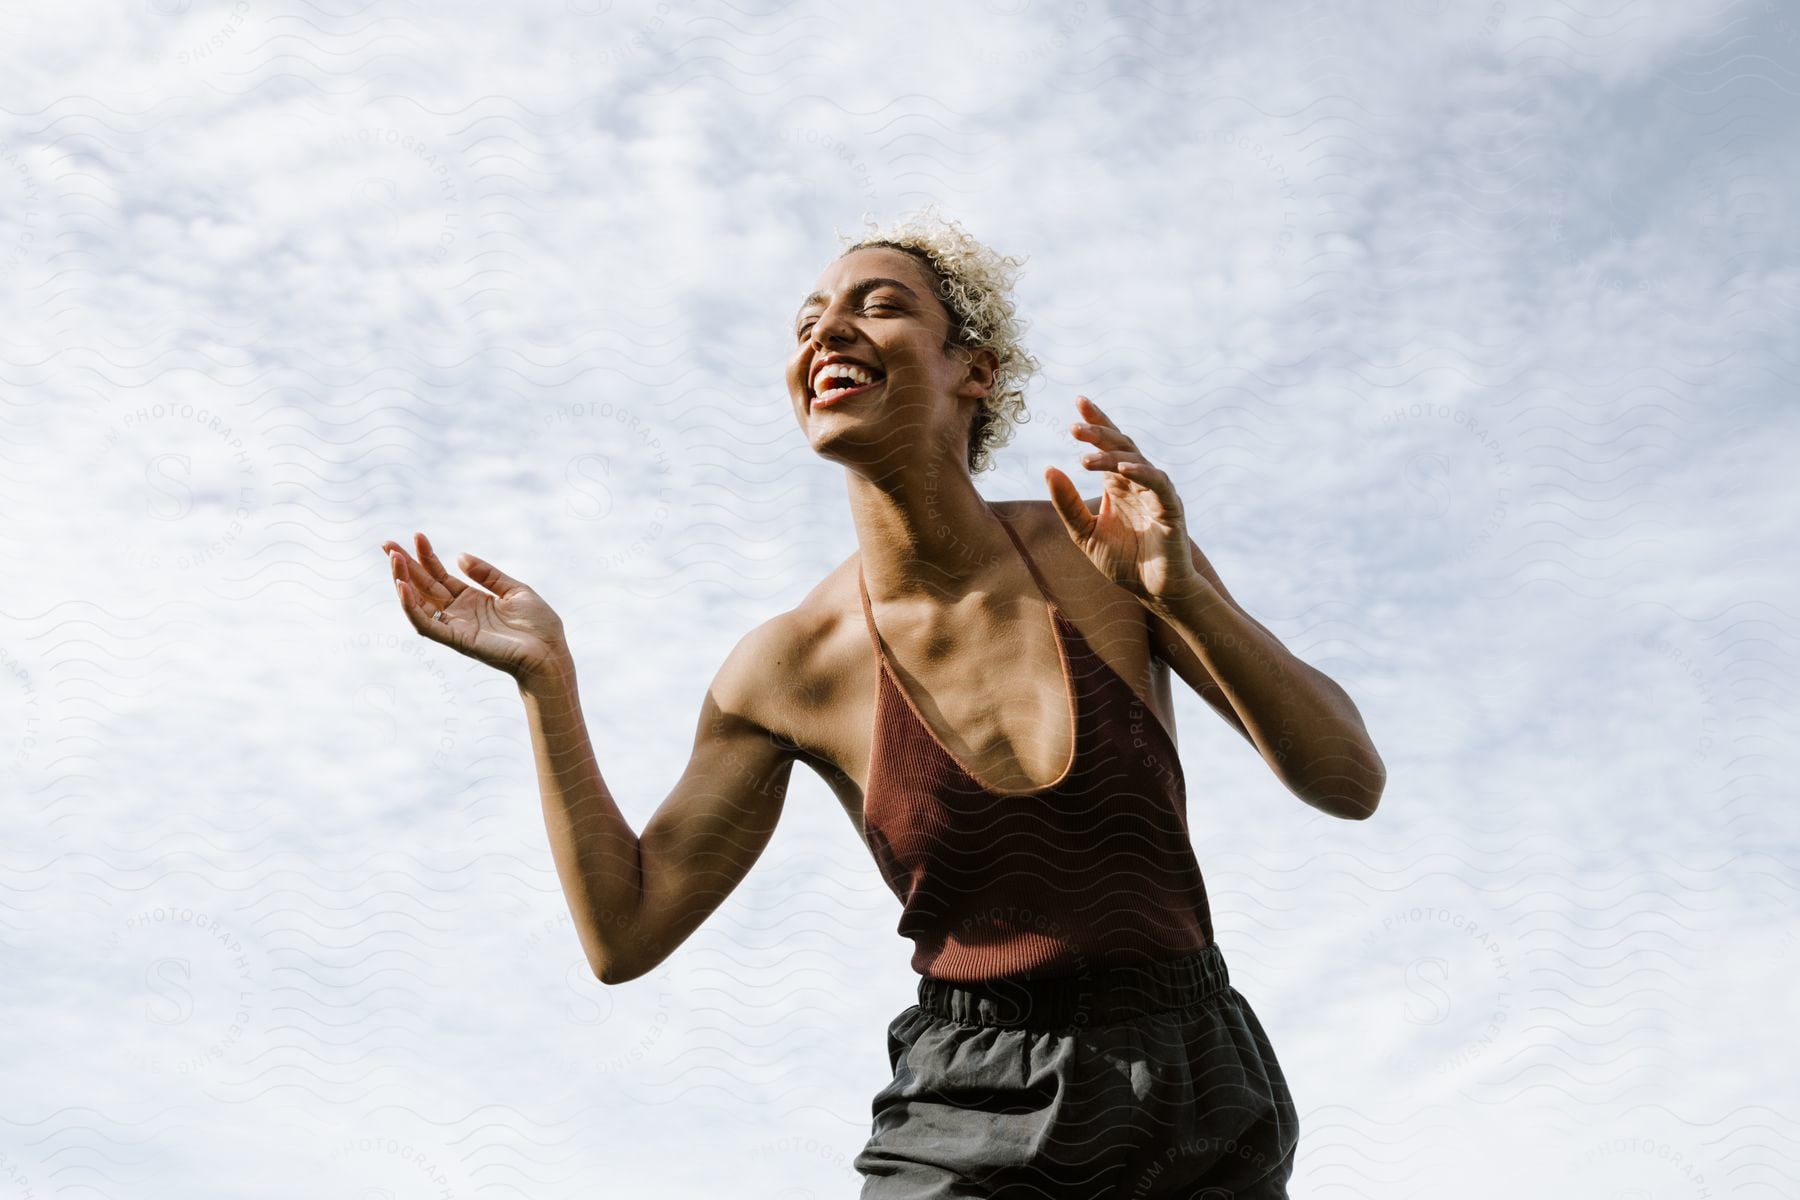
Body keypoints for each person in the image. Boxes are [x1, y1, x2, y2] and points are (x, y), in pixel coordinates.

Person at [380, 207, 1385, 1197]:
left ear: (972, 371)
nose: (827, 330)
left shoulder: (1104, 554)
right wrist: (545, 682)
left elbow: (1348, 781)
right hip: (968, 1105)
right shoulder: (786, 668)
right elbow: (625, 933)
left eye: (879, 305)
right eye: (809, 318)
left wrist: (1186, 598)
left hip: (1195, 1084)